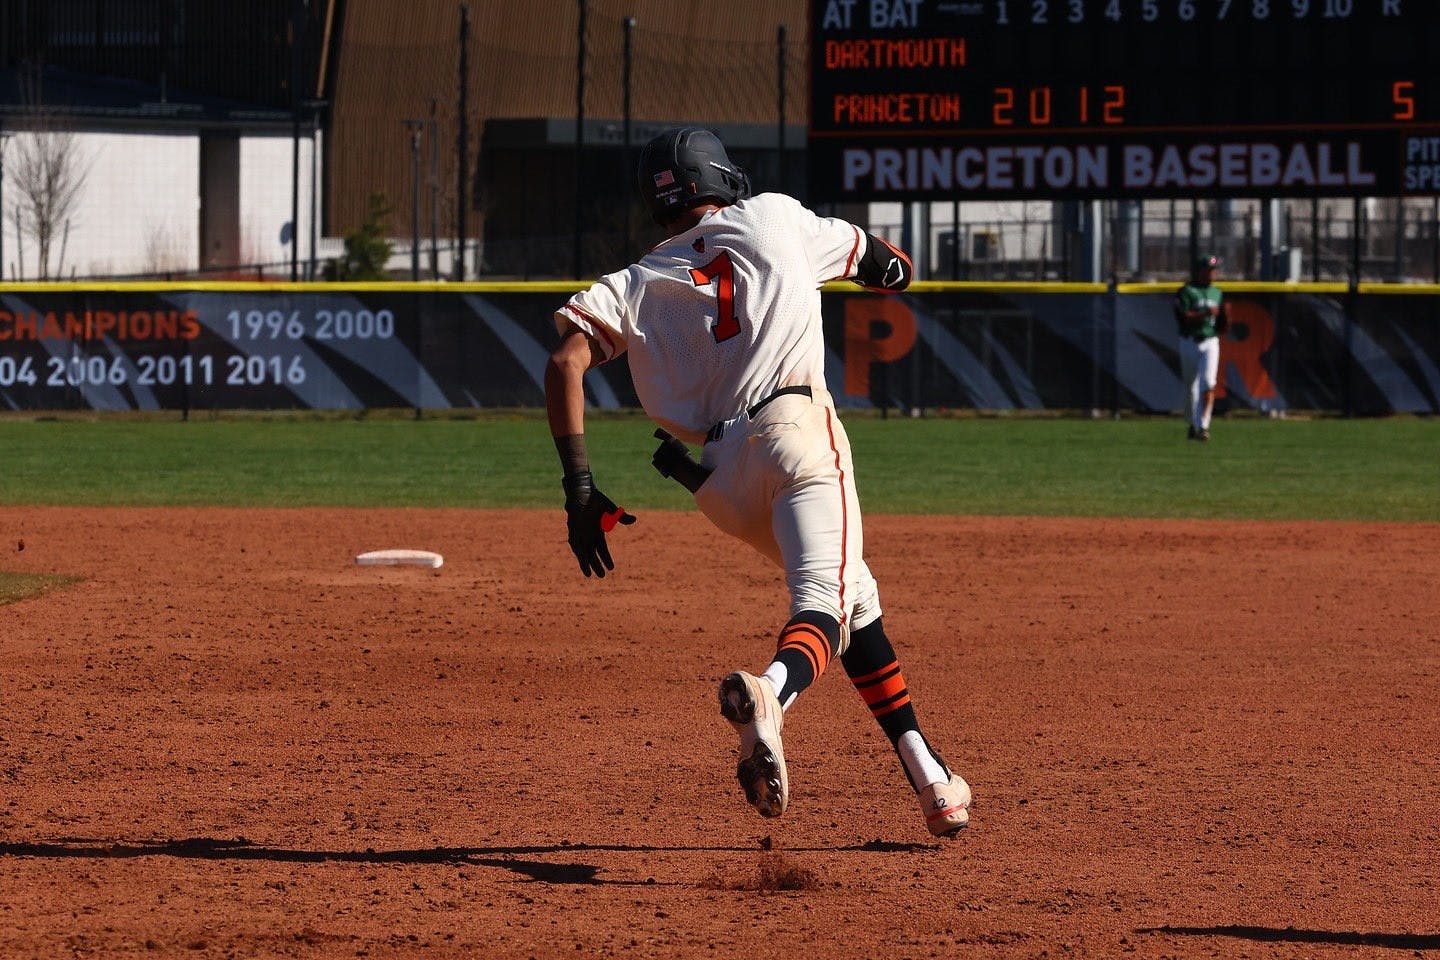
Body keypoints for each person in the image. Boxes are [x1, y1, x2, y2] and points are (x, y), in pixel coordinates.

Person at [543, 127, 970, 838]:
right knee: (823, 608)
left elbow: (565, 365)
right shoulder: (774, 215)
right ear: (720, 176)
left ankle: (931, 780)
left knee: (854, 593)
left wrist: (580, 488)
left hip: (719, 485)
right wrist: (885, 270)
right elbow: (891, 267)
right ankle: (769, 693)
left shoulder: (636, 280)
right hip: (797, 439)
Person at [1174, 254, 1229, 441]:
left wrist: (1224, 320)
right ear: (1201, 271)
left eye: (1215, 270)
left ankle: (1203, 426)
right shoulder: (1186, 291)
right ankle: (1192, 424)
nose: (1213, 273)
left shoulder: (1218, 293)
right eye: (1210, 270)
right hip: (1189, 341)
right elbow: (1182, 316)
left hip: (1210, 341)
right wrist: (1205, 313)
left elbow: (1221, 323)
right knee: (1191, 387)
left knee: (1209, 383)